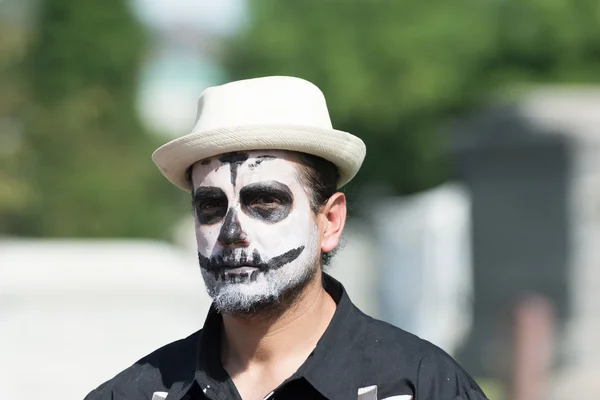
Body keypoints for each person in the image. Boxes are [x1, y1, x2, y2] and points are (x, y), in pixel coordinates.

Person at [85, 76, 487, 400]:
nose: (231, 233)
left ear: (329, 221)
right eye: (210, 206)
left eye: (264, 201)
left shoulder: (421, 386)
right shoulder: (134, 393)